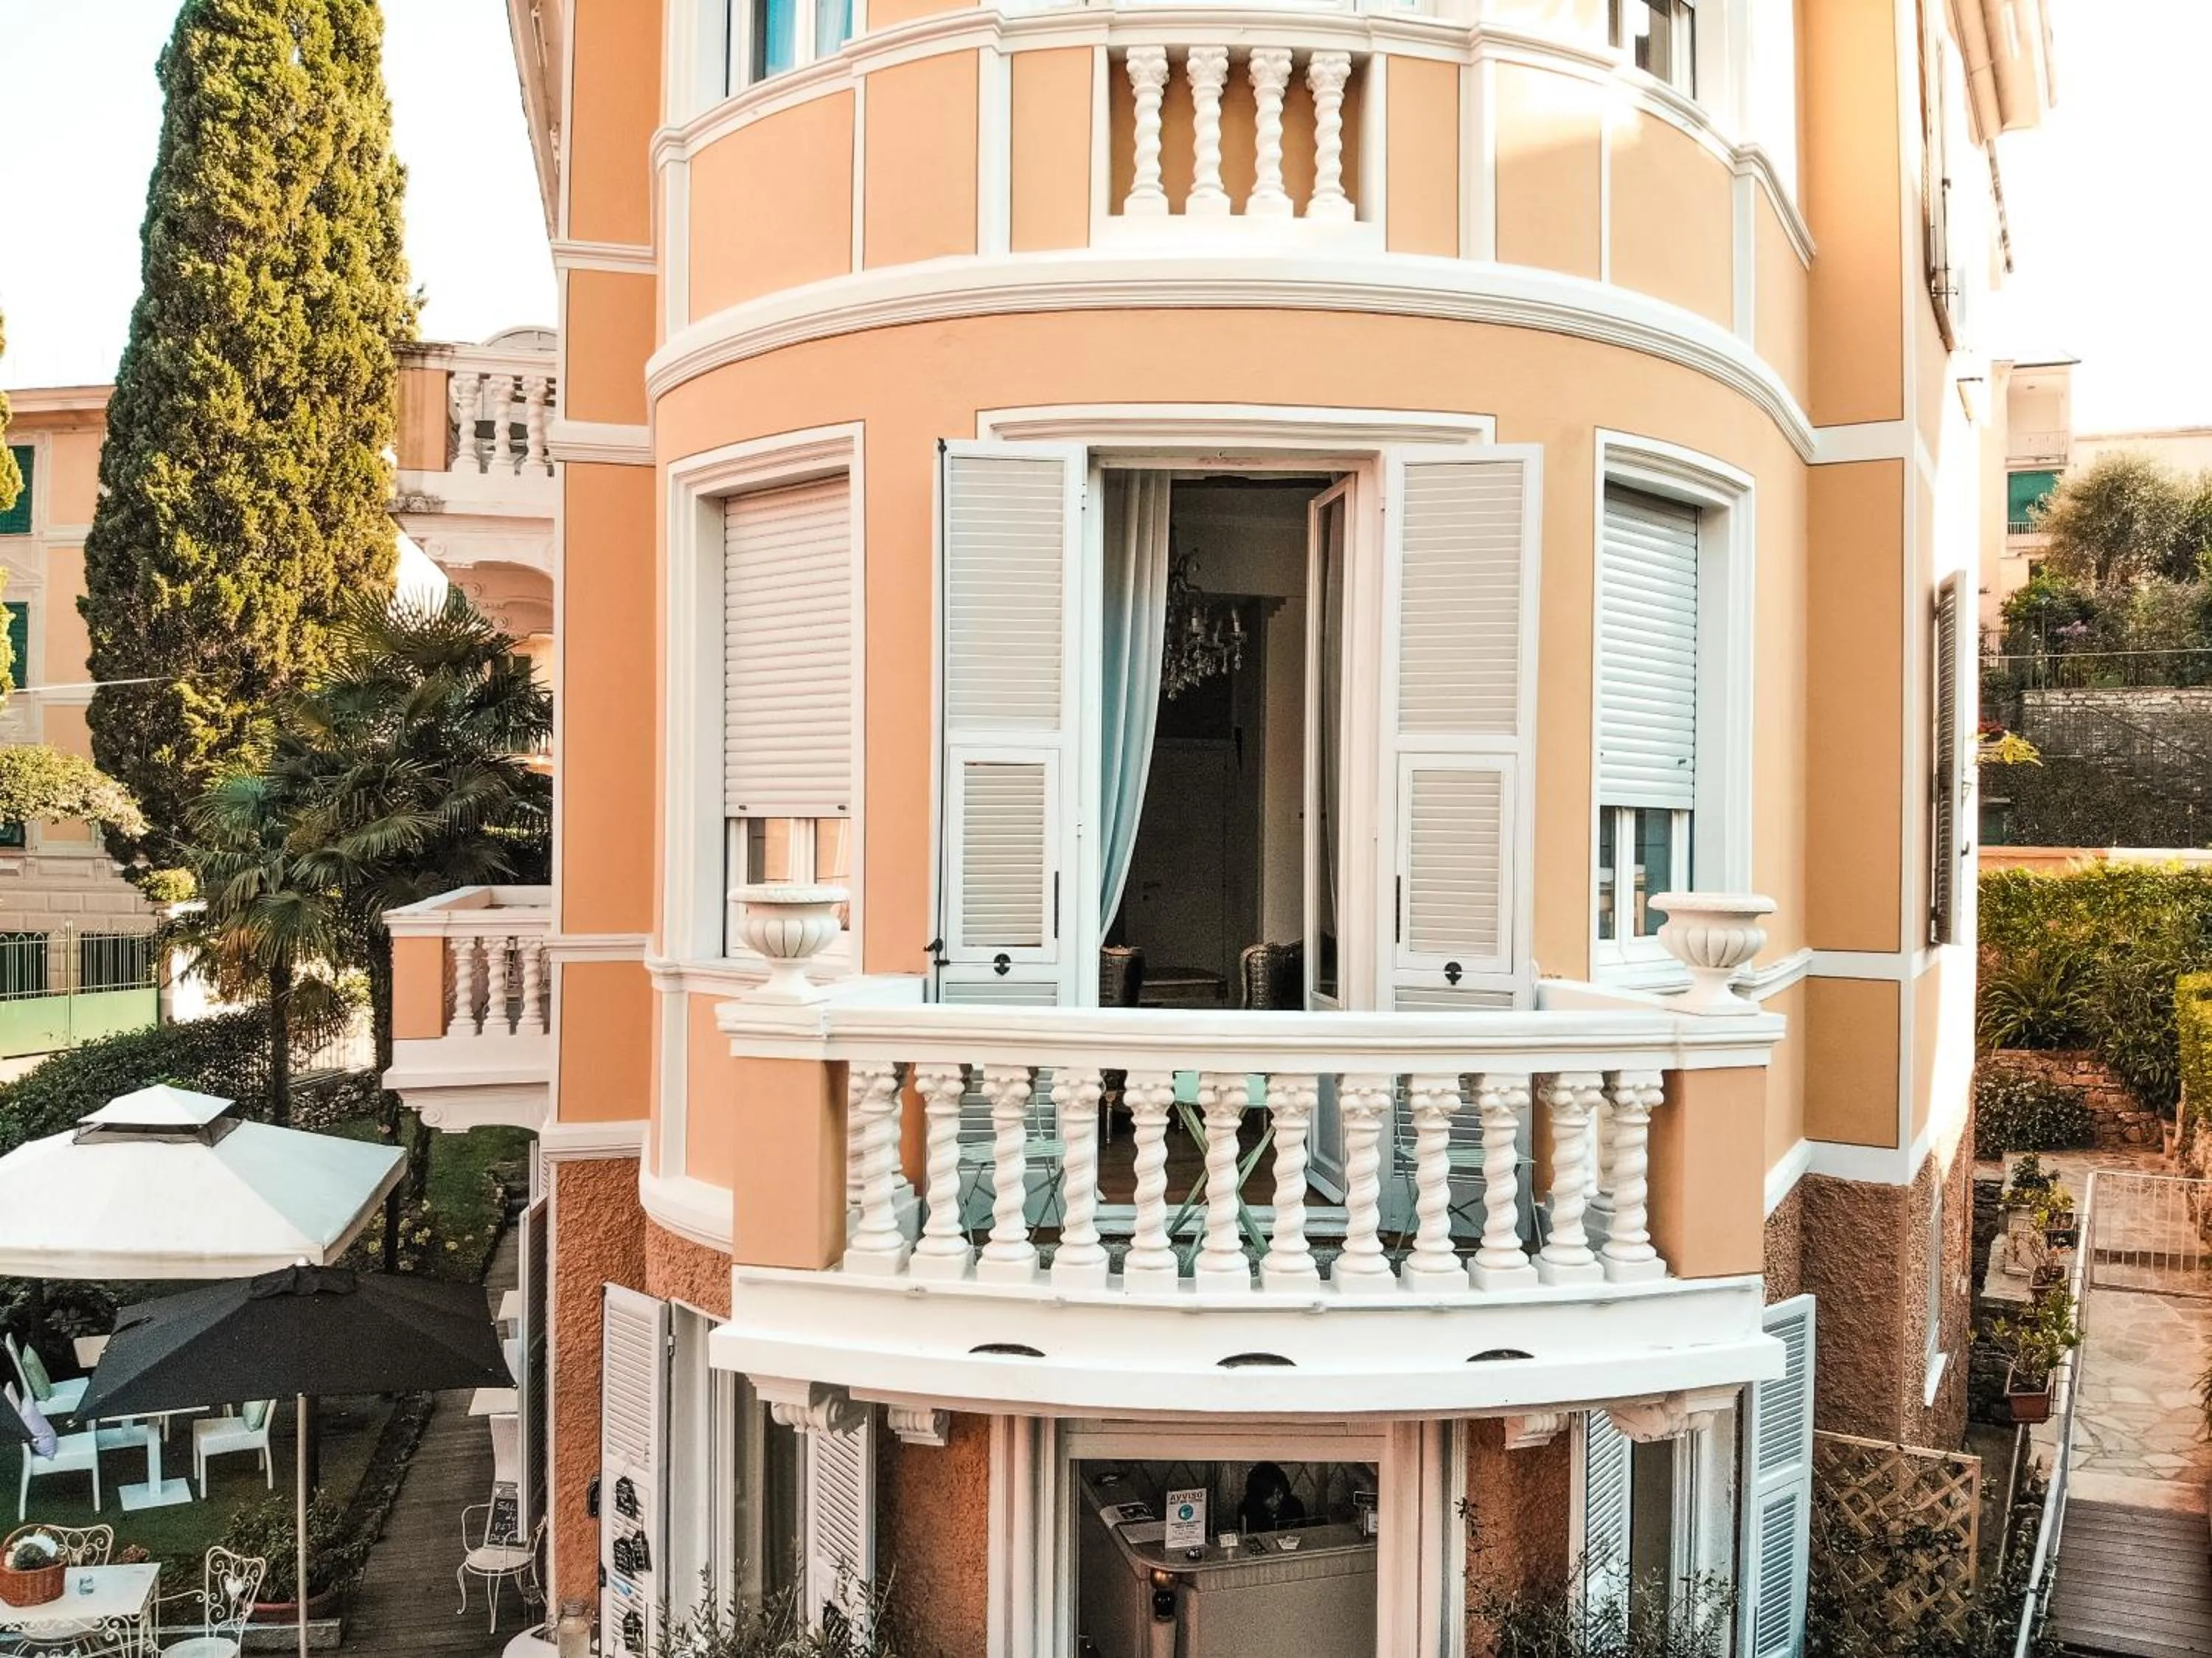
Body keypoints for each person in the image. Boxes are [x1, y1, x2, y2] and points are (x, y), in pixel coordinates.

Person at [1237, 1463, 1307, 1534]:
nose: (1277, 1500)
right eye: (1270, 1496)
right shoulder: (1247, 1512)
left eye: (1279, 1493)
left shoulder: (1295, 1507)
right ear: (1258, 1498)